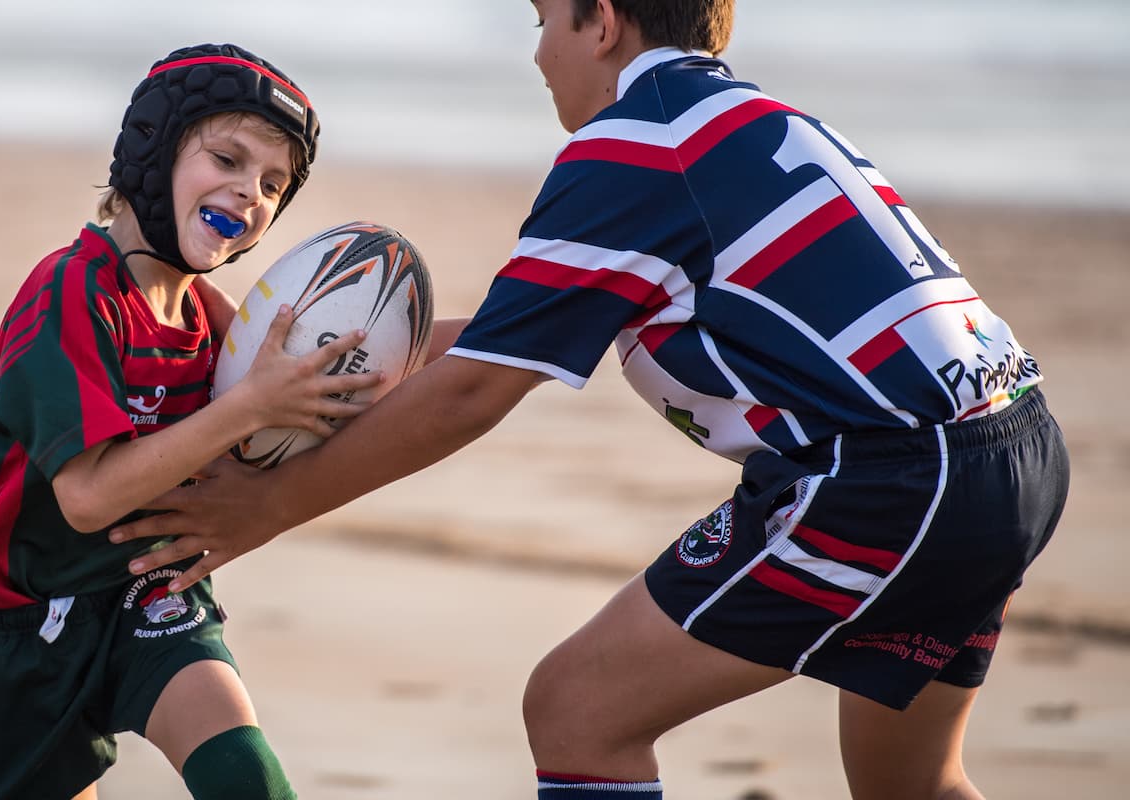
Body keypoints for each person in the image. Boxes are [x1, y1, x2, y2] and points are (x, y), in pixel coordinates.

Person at [109, 3, 1073, 799]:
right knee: (912, 785)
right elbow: (495, 341)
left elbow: (478, 391)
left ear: (600, 21)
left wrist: (266, 507)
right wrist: (303, 374)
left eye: (542, 19)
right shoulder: (750, 120)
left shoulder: (635, 143)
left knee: (577, 710)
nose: (536, 53)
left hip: (894, 476)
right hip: (1012, 452)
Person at [0, 43, 385, 800]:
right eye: (227, 160)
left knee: (248, 780)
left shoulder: (207, 315)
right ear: (151, 149)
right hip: (12, 631)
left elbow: (354, 353)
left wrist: (505, 326)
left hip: (147, 592)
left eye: (272, 184)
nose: (249, 194)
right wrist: (249, 405)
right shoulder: (70, 291)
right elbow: (88, 497)